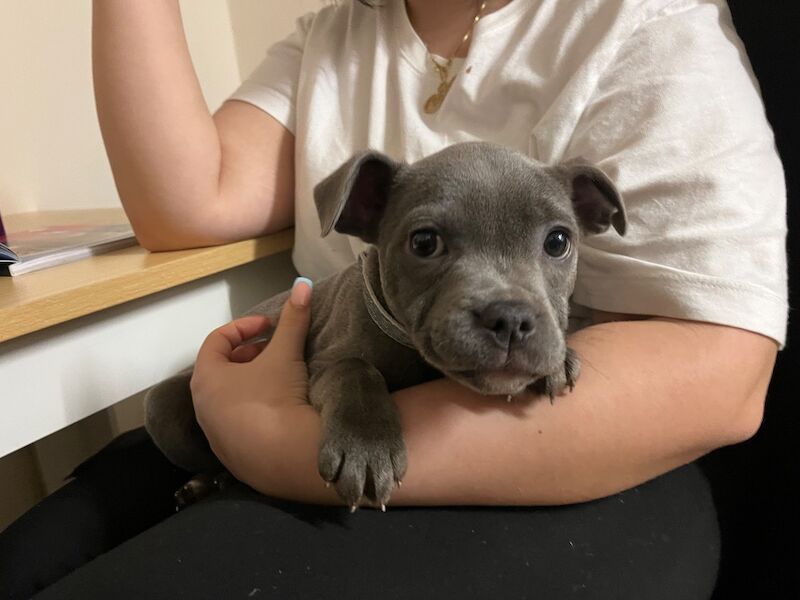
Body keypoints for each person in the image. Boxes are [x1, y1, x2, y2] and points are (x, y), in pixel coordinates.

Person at [0, 0, 786, 598]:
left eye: (554, 244)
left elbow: (725, 377)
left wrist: (275, 445)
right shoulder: (334, 35)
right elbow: (183, 206)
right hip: (290, 409)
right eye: (428, 243)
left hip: (569, 470)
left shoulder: (647, 24)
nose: (509, 300)